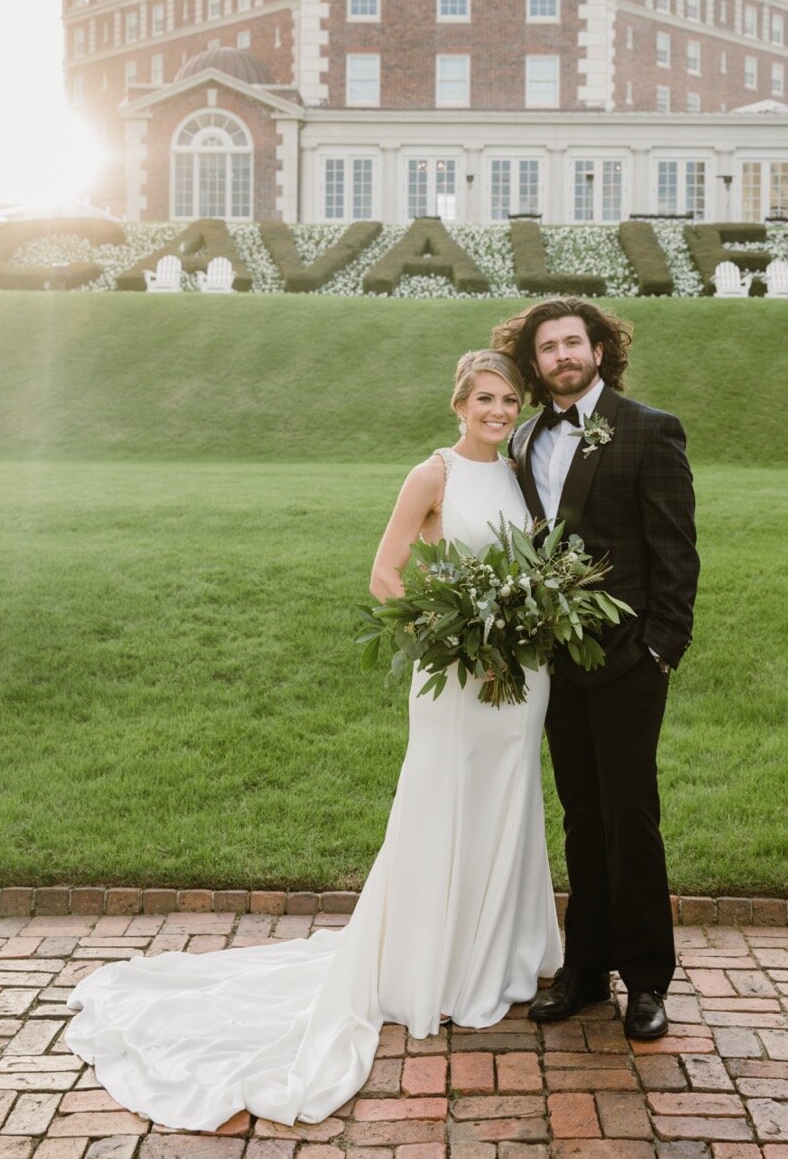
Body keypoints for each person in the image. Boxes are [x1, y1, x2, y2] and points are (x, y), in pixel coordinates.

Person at [62, 349, 561, 1132]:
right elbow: (387, 575)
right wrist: (464, 641)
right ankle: (429, 965)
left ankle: (497, 956)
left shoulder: (525, 471)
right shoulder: (432, 475)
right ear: (459, 404)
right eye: (487, 399)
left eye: (511, 400)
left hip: (524, 679)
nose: (500, 411)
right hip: (462, 676)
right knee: (441, 805)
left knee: (510, 802)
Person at [492, 299, 699, 1041]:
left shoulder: (648, 427)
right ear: (534, 362)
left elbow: (676, 551)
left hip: (630, 660)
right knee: (580, 814)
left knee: (630, 817)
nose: (562, 356)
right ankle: (584, 970)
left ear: (602, 349)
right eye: (547, 348)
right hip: (555, 663)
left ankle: (646, 979)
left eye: (574, 342)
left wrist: (660, 650)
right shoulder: (521, 440)